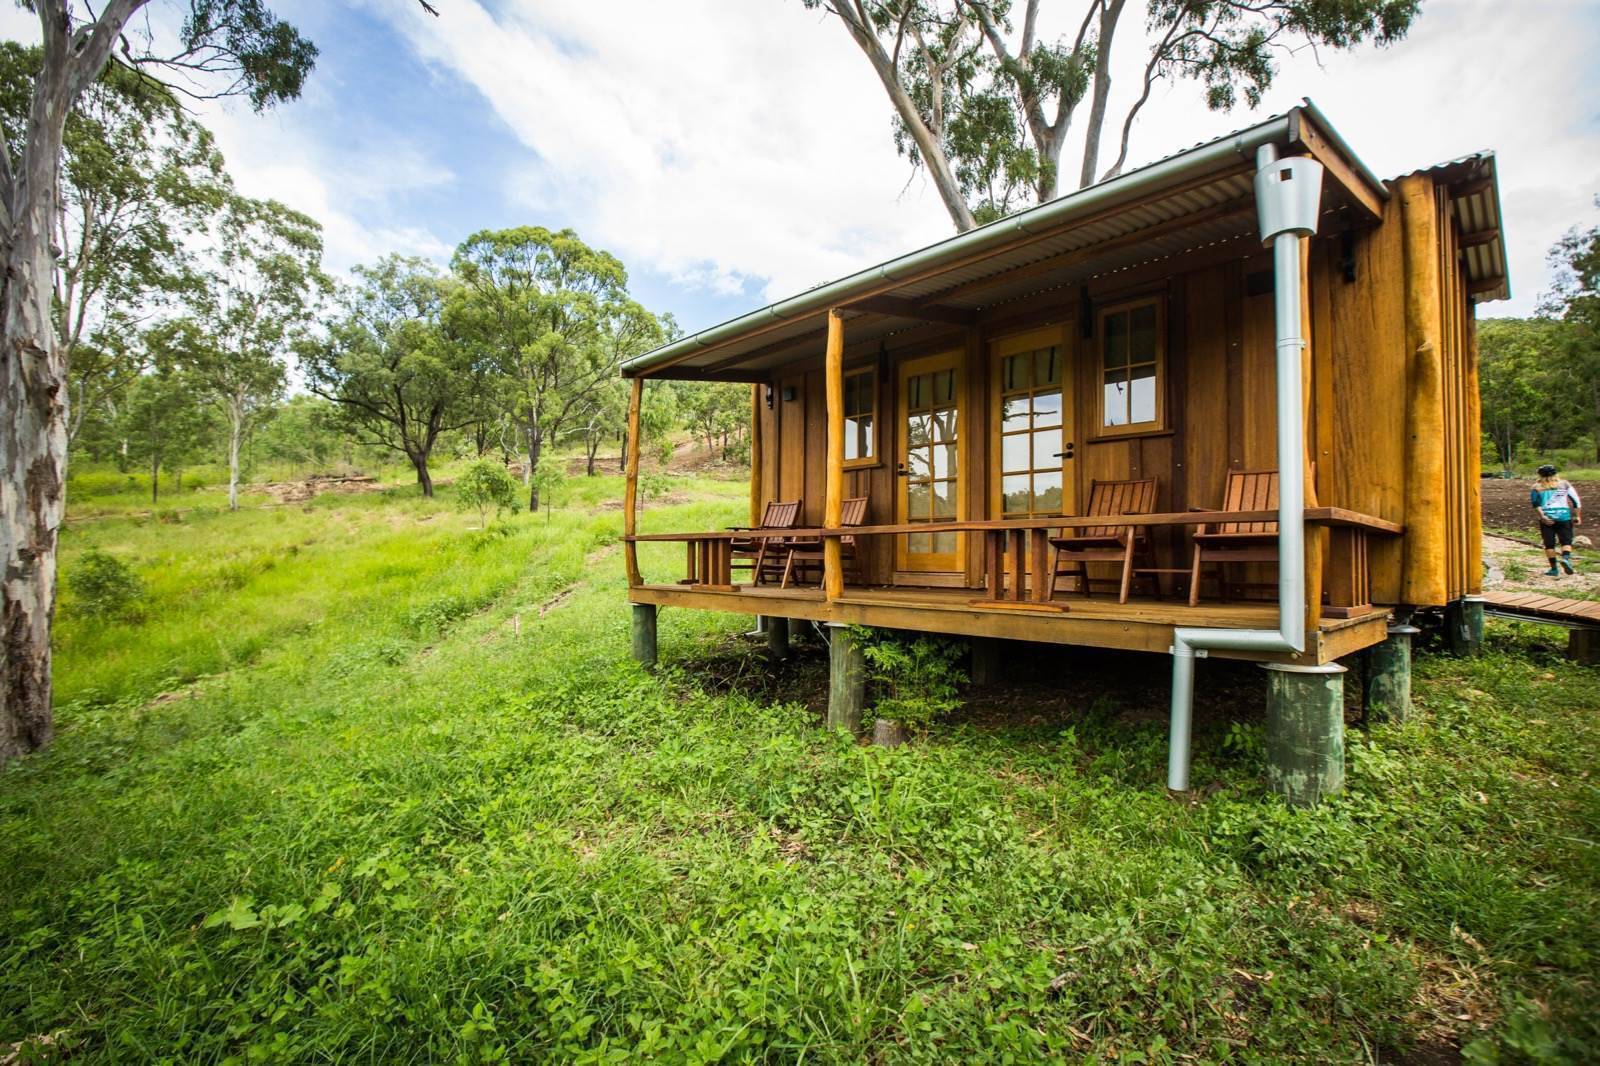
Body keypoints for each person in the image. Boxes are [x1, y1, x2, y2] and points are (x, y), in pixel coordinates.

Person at [1531, 464, 1583, 576]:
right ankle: (1565, 558)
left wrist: (1542, 516)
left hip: (1547, 517)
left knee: (1549, 544)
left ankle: (1554, 569)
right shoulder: (1564, 484)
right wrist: (1577, 516)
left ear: (1540, 475)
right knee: (1566, 541)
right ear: (1555, 474)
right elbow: (1576, 501)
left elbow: (1536, 504)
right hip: (1563, 516)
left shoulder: (1536, 487)